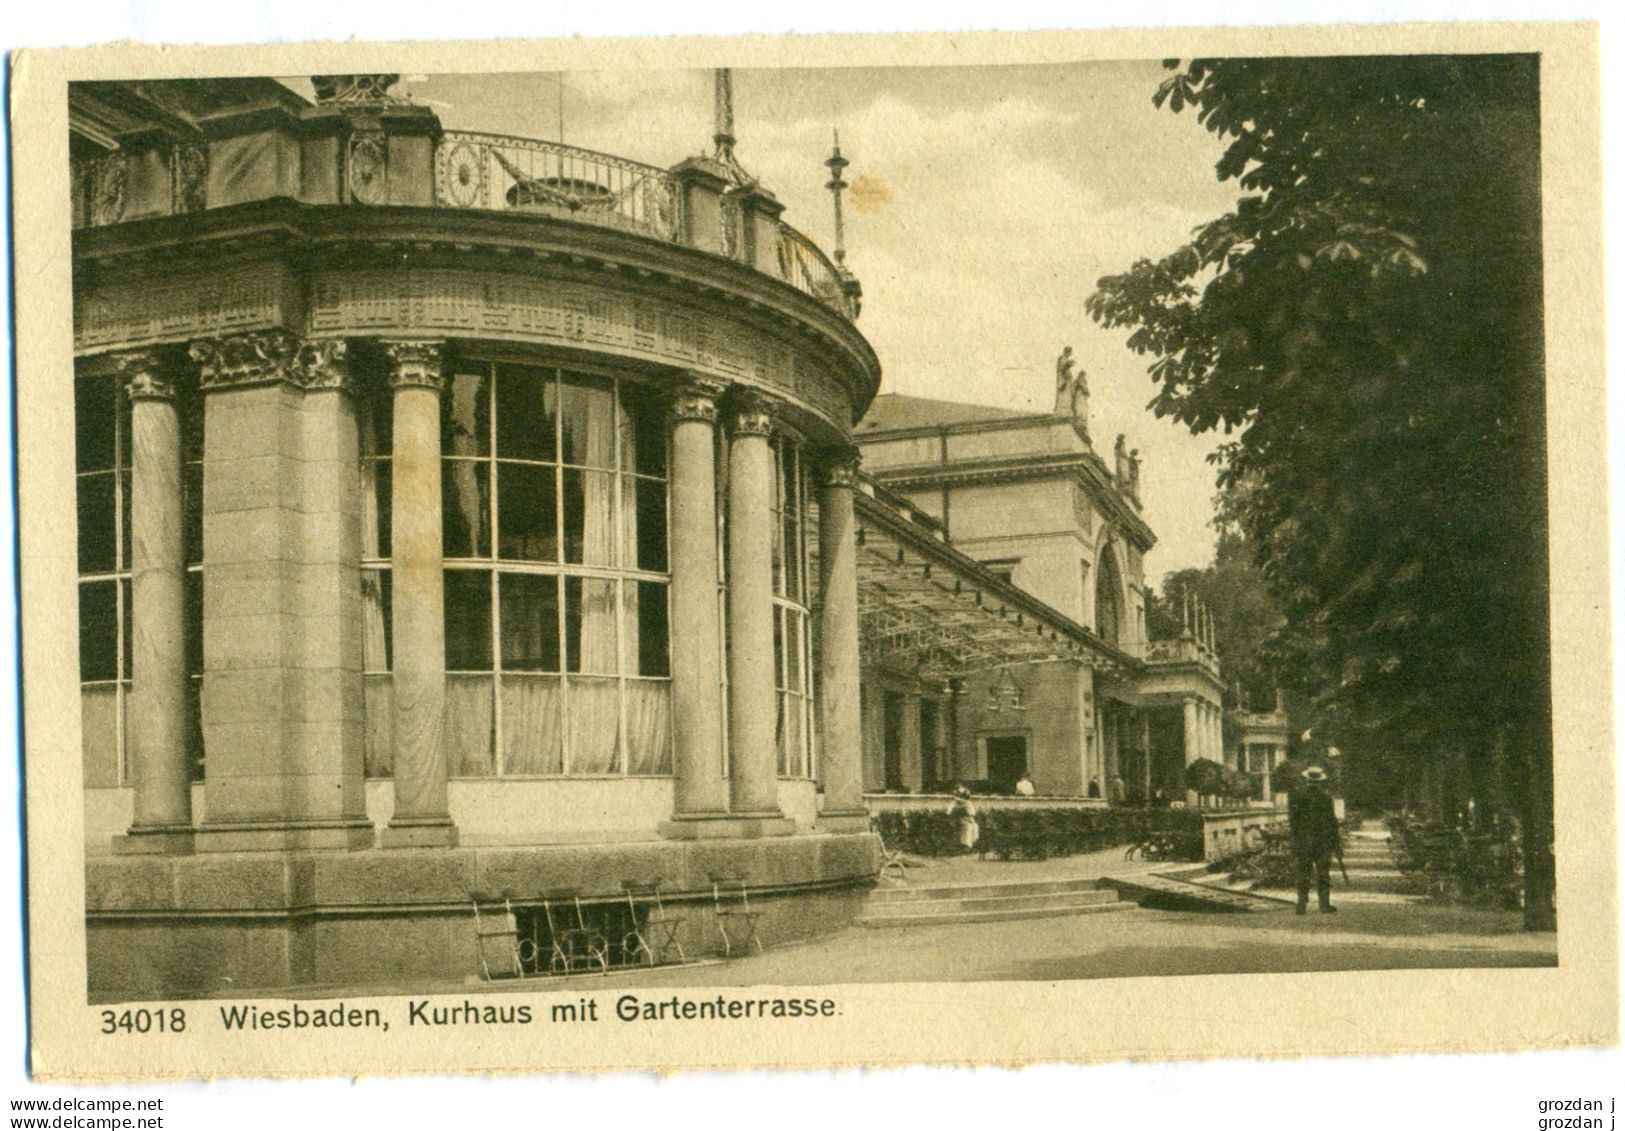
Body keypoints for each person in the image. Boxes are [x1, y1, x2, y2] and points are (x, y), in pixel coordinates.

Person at [1289, 765, 1341, 914]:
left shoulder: (1298, 797)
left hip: (1304, 841)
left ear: (1306, 780)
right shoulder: (1326, 798)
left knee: (1303, 873)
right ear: (1320, 781)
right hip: (1322, 841)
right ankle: (1324, 904)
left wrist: (1296, 839)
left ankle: (1301, 905)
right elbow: (1332, 822)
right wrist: (1335, 842)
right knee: (1323, 873)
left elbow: (1293, 822)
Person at [949, 786, 980, 853]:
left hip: (966, 818)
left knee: (974, 825)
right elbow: (949, 812)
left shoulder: (968, 803)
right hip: (957, 819)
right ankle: (965, 844)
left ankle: (971, 844)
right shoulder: (954, 803)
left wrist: (966, 812)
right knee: (967, 827)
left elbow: (972, 813)